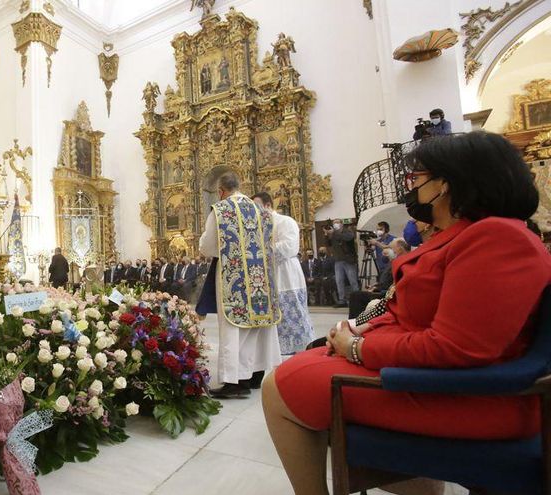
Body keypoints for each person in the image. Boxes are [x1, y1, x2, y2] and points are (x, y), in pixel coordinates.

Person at [263, 132, 551, 495]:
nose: (410, 186)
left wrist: (358, 348)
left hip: (473, 396)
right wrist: (357, 332)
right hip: (443, 379)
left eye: (415, 178)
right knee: (304, 363)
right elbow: (416, 312)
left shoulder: (496, 238)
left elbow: (455, 347)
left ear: (445, 183)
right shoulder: (471, 233)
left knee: (277, 387)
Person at [196, 172, 282, 399]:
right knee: (258, 327)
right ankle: (255, 376)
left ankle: (235, 382)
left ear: (221, 191)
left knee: (234, 330)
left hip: (234, 280)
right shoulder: (262, 211)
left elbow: (208, 247)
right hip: (260, 280)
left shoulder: (222, 211)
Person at [254, 192, 314, 355]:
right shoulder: (259, 226)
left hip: (286, 272)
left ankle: (299, 345)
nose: (255, 211)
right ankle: (277, 346)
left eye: (257, 206)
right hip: (268, 274)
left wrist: (262, 250)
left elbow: (290, 246)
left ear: (267, 205)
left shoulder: (285, 221)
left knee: (292, 309)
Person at [348, 238, 410, 319]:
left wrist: (378, 289)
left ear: (400, 249)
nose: (388, 251)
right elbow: (386, 281)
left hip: (388, 294)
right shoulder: (393, 262)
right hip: (383, 290)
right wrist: (376, 285)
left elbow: (395, 284)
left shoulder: (403, 263)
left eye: (391, 248)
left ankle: (355, 322)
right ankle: (356, 321)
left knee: (356, 296)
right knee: (357, 294)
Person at [324, 219, 359, 308]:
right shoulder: (333, 234)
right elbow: (328, 244)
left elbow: (347, 238)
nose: (336, 224)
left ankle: (357, 299)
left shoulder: (348, 231)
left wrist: (334, 233)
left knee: (352, 281)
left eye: (337, 222)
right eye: (334, 223)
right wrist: (326, 234)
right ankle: (342, 300)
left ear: (342, 224)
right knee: (339, 281)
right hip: (338, 260)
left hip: (349, 260)